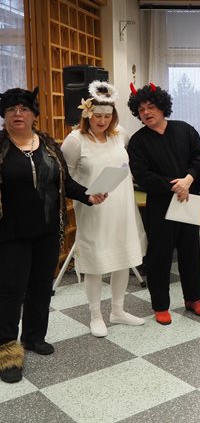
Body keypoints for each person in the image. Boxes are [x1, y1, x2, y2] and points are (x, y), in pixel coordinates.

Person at [0, 87, 106, 384]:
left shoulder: (48, 145)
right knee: (10, 292)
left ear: (34, 114)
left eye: (24, 109)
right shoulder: (1, 147)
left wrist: (88, 195)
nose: (18, 114)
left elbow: (65, 182)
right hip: (10, 233)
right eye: (11, 109)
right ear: (4, 115)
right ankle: (7, 352)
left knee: (41, 286)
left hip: (47, 230)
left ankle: (34, 337)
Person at [61, 81, 147, 337]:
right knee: (95, 261)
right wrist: (85, 194)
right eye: (97, 115)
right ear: (87, 114)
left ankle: (118, 310)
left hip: (122, 206)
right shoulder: (75, 140)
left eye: (107, 116)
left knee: (123, 256)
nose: (102, 121)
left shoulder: (120, 134)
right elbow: (65, 177)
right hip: (93, 208)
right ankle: (95, 315)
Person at [127, 82, 200, 325]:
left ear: (162, 107)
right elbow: (141, 175)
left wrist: (189, 179)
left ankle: (193, 299)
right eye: (141, 109)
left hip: (189, 201)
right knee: (159, 256)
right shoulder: (138, 141)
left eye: (151, 107)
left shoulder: (184, 130)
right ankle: (161, 305)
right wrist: (175, 186)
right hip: (160, 205)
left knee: (190, 253)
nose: (146, 112)